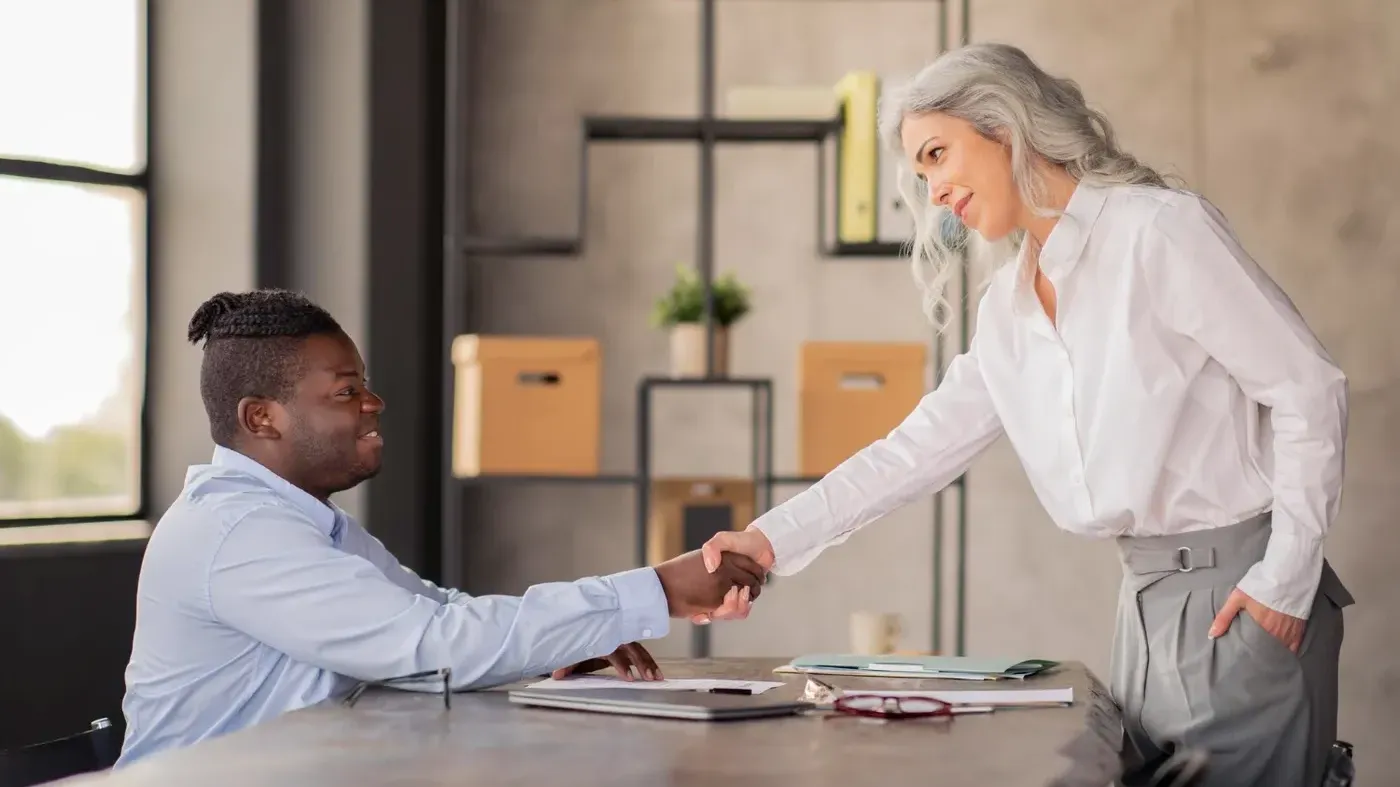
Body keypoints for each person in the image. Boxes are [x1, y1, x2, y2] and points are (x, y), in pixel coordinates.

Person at [699, 42, 1351, 787]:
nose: (935, 189)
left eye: (939, 154)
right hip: (1142, 601)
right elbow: (914, 451)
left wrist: (1284, 579)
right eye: (922, 173)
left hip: (1238, 592)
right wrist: (767, 539)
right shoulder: (1009, 306)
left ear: (1004, 125)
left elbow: (1308, 387)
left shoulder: (1157, 233)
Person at [117, 289, 765, 766]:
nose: (374, 402)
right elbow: (433, 642)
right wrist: (656, 588)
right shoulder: (240, 533)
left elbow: (436, 609)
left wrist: (566, 638)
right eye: (346, 391)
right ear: (262, 417)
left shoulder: (302, 521)